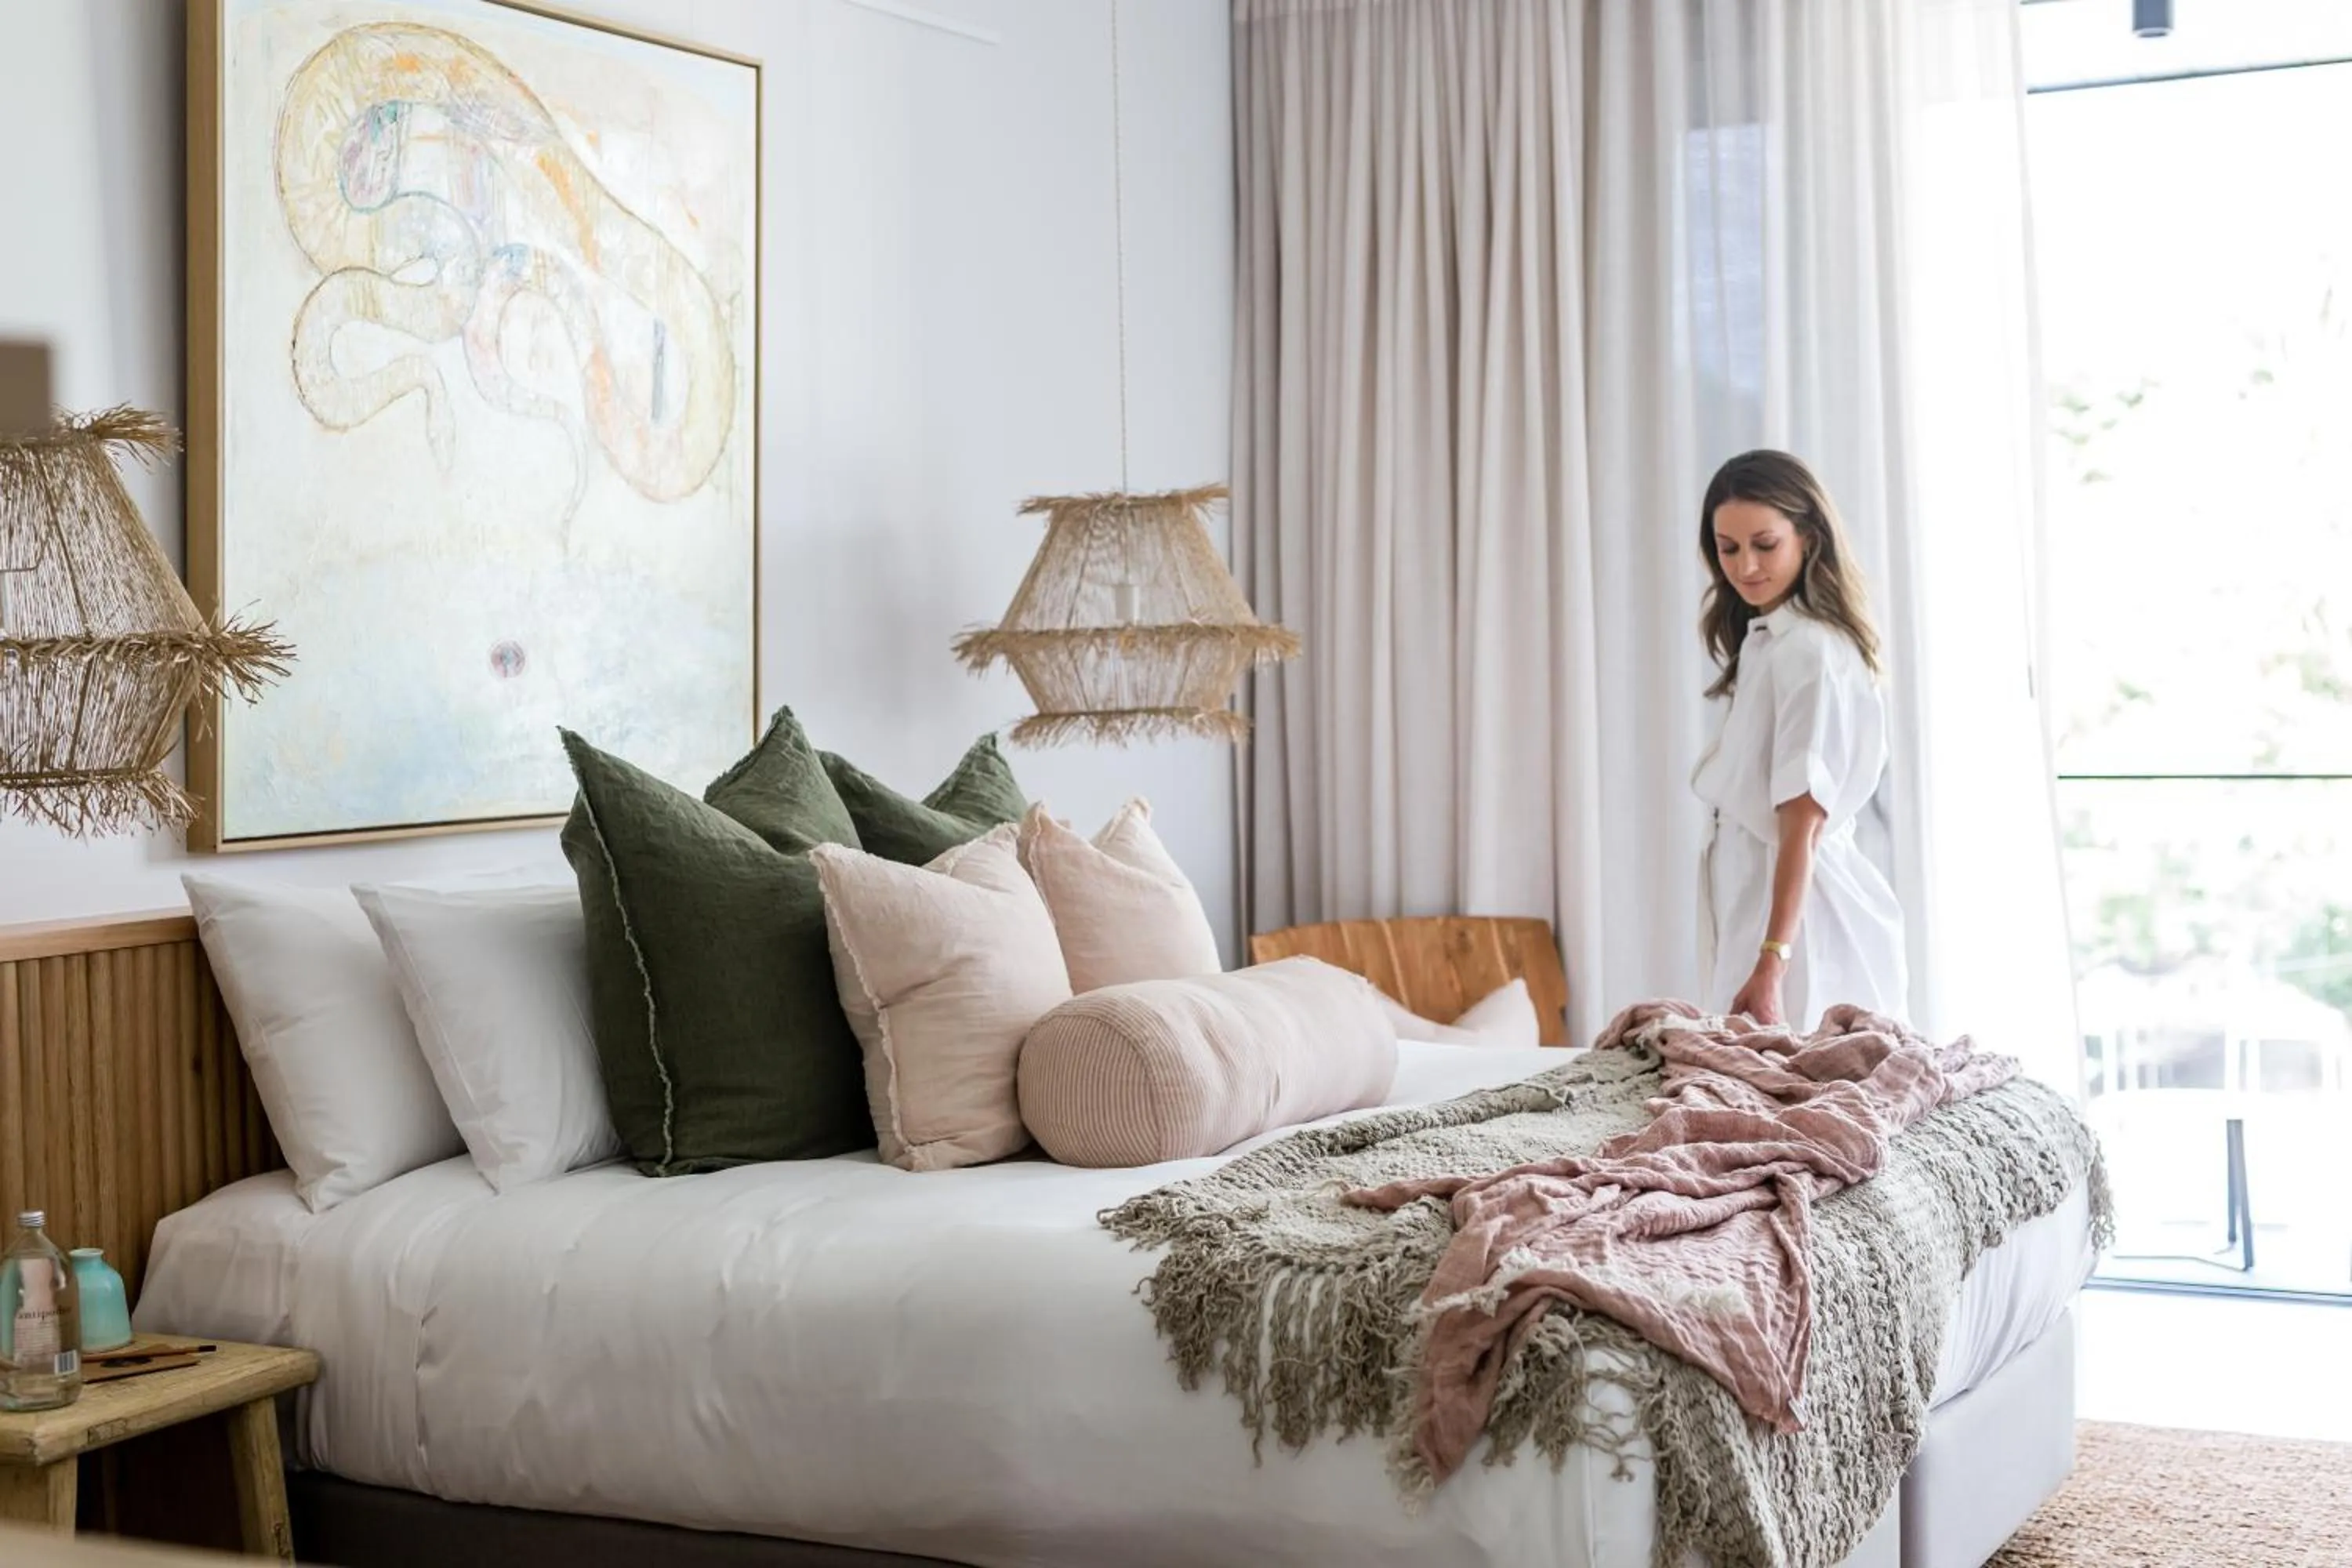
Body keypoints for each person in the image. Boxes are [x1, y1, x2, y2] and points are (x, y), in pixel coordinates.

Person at [1689, 449, 1906, 1031]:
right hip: (1761, 899)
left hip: (1800, 915)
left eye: (1765, 545)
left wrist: (1772, 960)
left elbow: (1803, 819)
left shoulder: (1809, 652)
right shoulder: (1770, 643)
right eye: (1728, 548)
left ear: (1808, 537)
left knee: (1794, 1069)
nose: (1745, 566)